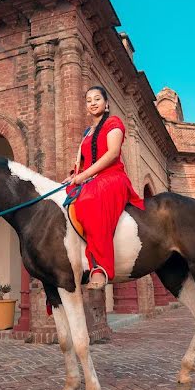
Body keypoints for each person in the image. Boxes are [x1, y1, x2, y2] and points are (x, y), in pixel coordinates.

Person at [63, 86, 145, 290]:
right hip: (90, 179)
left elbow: (112, 154)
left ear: (106, 103)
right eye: (88, 100)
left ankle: (99, 268)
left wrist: (83, 176)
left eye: (97, 98)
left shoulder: (113, 123)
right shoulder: (86, 132)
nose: (92, 103)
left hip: (112, 178)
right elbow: (83, 162)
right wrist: (73, 176)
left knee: (90, 200)